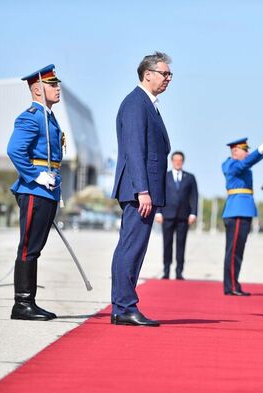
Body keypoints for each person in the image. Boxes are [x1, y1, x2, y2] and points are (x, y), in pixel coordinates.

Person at [110, 52, 172, 327]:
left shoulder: (149, 104)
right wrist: (142, 190)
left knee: (134, 248)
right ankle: (124, 306)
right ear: (148, 74)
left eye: (170, 75)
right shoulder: (137, 103)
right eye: (164, 74)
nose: (168, 79)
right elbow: (135, 150)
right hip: (139, 191)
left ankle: (123, 306)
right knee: (130, 248)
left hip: (144, 189)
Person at [6, 64, 64, 321]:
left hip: (47, 190)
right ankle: (22, 304)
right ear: (38, 89)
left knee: (35, 247)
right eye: (52, 84)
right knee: (28, 247)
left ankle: (29, 301)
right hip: (34, 189)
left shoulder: (49, 117)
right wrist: (36, 175)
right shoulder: (31, 116)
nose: (58, 88)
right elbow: (15, 150)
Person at [222, 135, 263, 295]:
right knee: (233, 251)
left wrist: (261, 153)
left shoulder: (242, 165)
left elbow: (247, 163)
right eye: (245, 150)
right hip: (236, 210)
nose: (247, 152)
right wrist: (260, 151)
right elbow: (245, 164)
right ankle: (230, 286)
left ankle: (234, 284)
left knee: (238, 251)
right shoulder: (230, 164)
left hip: (244, 210)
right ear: (235, 151)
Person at [155, 151, 198, 280]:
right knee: (167, 244)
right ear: (172, 161)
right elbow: (158, 194)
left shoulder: (190, 177)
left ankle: (179, 271)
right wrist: (158, 212)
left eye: (180, 160)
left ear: (183, 162)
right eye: (175, 160)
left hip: (183, 217)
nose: (178, 162)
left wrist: (194, 213)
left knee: (181, 244)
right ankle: (166, 270)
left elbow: (194, 197)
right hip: (167, 215)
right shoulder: (165, 176)